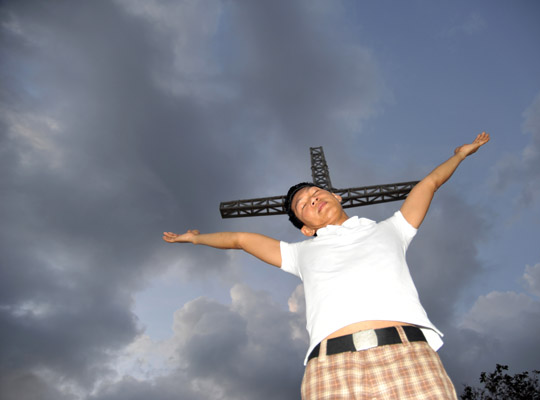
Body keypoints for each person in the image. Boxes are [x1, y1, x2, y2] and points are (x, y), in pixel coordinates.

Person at [163, 132, 490, 399]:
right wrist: (195, 238)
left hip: (407, 354)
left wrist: (459, 155)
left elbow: (429, 184)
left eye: (316, 192)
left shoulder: (392, 229)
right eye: (302, 204)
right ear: (305, 228)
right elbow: (241, 240)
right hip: (330, 369)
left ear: (339, 197)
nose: (312, 198)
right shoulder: (300, 253)